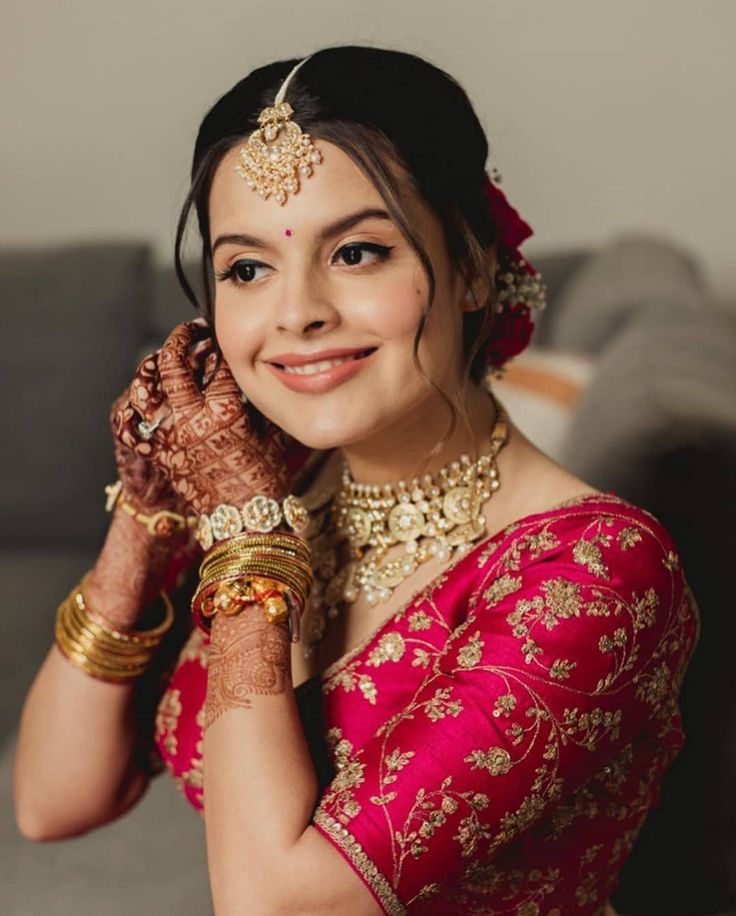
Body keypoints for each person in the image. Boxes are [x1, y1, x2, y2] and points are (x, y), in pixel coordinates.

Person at [14, 45, 699, 915]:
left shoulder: (596, 570)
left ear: (474, 268)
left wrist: (245, 531)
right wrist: (149, 508)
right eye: (248, 269)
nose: (297, 312)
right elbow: (52, 800)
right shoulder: (274, 475)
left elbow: (272, 903)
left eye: (359, 252)